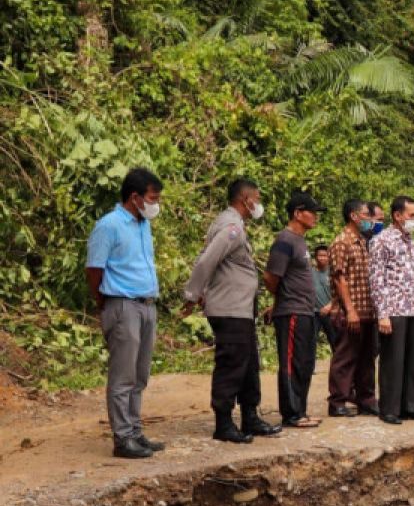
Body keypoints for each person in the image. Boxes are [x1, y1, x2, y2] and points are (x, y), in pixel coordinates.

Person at [182, 178, 281, 444]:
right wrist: (193, 294)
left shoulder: (236, 225)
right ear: (245, 199)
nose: (258, 205)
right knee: (231, 364)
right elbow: (206, 260)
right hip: (229, 308)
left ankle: (250, 416)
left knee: (249, 364)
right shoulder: (231, 228)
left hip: (241, 309)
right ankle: (223, 423)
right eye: (257, 199)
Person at [86, 167, 165, 459]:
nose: (156, 204)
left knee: (139, 373)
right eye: (152, 198)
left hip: (146, 305)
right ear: (135, 197)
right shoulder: (109, 225)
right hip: (122, 305)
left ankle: (134, 430)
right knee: (123, 375)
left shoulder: (142, 224)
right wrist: (103, 301)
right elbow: (94, 269)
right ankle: (122, 438)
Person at [370, 196, 414, 425]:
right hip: (394, 308)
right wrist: (383, 313)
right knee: (393, 361)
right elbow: (377, 279)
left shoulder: (409, 240)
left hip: (413, 307)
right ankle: (389, 409)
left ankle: (411, 406)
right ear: (398, 216)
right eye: (411, 215)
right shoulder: (382, 241)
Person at [265, 191, 325, 428]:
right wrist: (282, 299)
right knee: (291, 363)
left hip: (305, 311)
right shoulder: (285, 240)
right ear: (298, 214)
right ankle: (291, 414)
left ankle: (300, 410)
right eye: (312, 212)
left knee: (305, 362)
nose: (316, 217)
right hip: (292, 311)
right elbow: (271, 277)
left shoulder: (300, 241)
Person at [327, 199, 379, 417]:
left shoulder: (364, 241)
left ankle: (366, 399)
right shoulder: (342, 242)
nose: (371, 220)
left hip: (368, 311)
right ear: (354, 216)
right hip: (351, 312)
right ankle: (337, 401)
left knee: (367, 358)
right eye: (367, 215)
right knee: (345, 357)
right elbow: (340, 279)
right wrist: (350, 310)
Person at [312, 245, 338, 349]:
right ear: (315, 257)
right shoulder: (309, 272)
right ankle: (308, 365)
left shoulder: (334, 272)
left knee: (335, 342)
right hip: (314, 312)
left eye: (325, 255)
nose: (322, 258)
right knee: (310, 341)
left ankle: (338, 365)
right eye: (320, 255)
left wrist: (330, 305)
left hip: (330, 313)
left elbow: (340, 292)